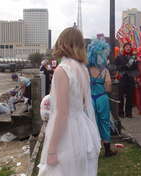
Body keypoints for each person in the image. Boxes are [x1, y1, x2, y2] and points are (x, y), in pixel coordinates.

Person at [38, 27, 101, 175]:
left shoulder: (63, 70)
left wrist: (52, 149)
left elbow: (62, 113)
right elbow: (83, 102)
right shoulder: (82, 69)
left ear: (63, 43)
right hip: (82, 127)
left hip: (67, 132)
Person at [87, 38, 117, 157]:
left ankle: (93, 149)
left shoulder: (86, 70)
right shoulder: (104, 71)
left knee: (90, 123)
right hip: (102, 98)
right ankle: (107, 150)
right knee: (104, 123)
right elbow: (108, 87)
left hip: (90, 99)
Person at [114, 42, 139, 118]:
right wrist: (124, 67)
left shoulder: (133, 57)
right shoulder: (119, 57)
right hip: (122, 78)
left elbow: (136, 68)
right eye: (127, 47)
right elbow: (116, 66)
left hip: (130, 78)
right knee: (120, 96)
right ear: (124, 48)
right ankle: (120, 112)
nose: (128, 48)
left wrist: (136, 77)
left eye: (129, 47)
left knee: (130, 96)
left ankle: (129, 113)